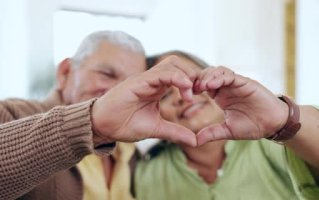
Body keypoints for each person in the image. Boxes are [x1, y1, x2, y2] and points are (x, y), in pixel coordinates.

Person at [134, 50, 319, 200]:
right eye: (164, 96)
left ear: (215, 79)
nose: (183, 96)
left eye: (191, 81)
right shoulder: (147, 174)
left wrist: (282, 118)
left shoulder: (272, 144)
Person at [0, 33, 199, 199]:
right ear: (65, 72)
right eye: (107, 74)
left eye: (131, 82)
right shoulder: (11, 113)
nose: (119, 92)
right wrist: (91, 122)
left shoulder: (130, 151)